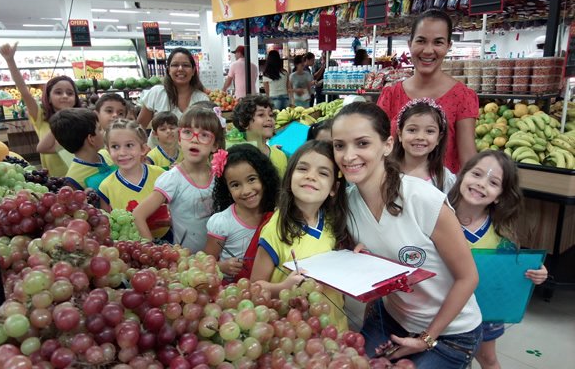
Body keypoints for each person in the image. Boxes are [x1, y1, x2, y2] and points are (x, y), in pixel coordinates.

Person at [331, 101, 482, 367]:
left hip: (451, 332)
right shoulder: (349, 201)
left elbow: (468, 277)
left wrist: (427, 338)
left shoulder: (423, 199)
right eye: (339, 145)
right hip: (392, 317)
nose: (348, 155)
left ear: (388, 145)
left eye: (362, 143)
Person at [448, 151, 548, 369]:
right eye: (476, 174)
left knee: (487, 358)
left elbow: (510, 268)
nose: (481, 184)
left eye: (493, 182)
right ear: (462, 175)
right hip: (445, 305)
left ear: (501, 195)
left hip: (485, 310)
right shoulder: (440, 216)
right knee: (449, 357)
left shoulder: (501, 231)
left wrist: (538, 272)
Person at [250, 140, 353, 331]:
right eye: (303, 169)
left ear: (334, 189)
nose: (311, 177)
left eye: (323, 173)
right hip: (294, 333)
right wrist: (283, 287)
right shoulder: (275, 229)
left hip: (335, 328)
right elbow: (254, 287)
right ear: (289, 176)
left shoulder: (333, 222)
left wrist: (355, 255)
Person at [377, 9, 478, 174]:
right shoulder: (391, 95)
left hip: (441, 194)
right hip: (394, 193)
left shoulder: (462, 97)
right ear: (410, 44)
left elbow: (467, 159)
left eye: (438, 42)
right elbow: (377, 149)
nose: (428, 50)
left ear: (448, 46)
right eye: (421, 41)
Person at [133, 106, 225, 252]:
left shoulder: (220, 175)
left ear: (215, 145)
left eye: (204, 135)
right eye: (188, 132)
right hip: (187, 264)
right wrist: (152, 252)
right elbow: (138, 214)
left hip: (220, 259)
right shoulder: (173, 179)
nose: (194, 140)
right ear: (180, 139)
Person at [0, 42, 82, 177]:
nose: (65, 96)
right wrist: (10, 60)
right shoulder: (41, 117)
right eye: (58, 92)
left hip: (81, 177)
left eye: (70, 93)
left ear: (75, 98)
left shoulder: (81, 120)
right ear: (48, 98)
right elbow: (25, 93)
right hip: (55, 179)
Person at [204, 143, 280, 282]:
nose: (246, 191)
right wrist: (222, 266)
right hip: (231, 294)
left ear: (264, 178)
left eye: (251, 179)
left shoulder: (276, 216)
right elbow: (205, 264)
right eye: (235, 185)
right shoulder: (222, 222)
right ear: (226, 189)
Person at [137, 47, 208, 146]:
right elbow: (139, 128)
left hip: (187, 158)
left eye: (186, 65)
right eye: (175, 65)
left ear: (193, 71)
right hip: (155, 158)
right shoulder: (156, 93)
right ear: (168, 70)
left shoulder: (202, 99)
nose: (180, 69)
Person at [98, 119, 165, 215]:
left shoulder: (161, 174)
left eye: (129, 145)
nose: (122, 153)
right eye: (115, 146)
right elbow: (106, 223)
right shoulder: (106, 187)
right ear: (108, 151)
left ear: (143, 149)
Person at [390, 98, 455, 193]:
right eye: (412, 130)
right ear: (400, 134)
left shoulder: (445, 179)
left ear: (439, 138)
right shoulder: (385, 171)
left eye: (430, 131)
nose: (420, 137)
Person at [49, 108, 114, 192]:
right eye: (99, 129)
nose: (104, 132)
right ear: (91, 139)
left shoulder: (108, 153)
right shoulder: (73, 180)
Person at [232, 95, 288, 178]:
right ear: (243, 122)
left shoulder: (281, 156)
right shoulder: (236, 158)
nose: (269, 119)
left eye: (271, 115)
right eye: (261, 115)